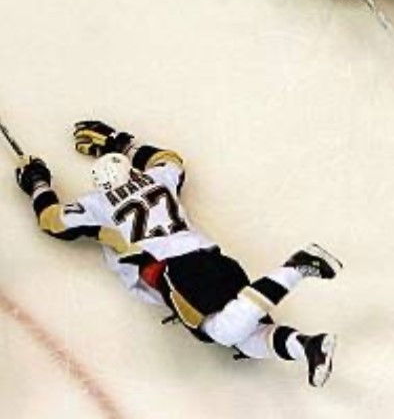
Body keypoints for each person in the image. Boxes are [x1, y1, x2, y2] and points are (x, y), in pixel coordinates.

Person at [13, 121, 342, 386]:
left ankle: (297, 267)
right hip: (212, 257)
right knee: (246, 338)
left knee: (221, 330)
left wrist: (38, 182)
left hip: (173, 270)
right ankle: (308, 346)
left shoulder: (97, 203)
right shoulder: (158, 179)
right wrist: (118, 142)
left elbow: (51, 220)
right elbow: (170, 159)